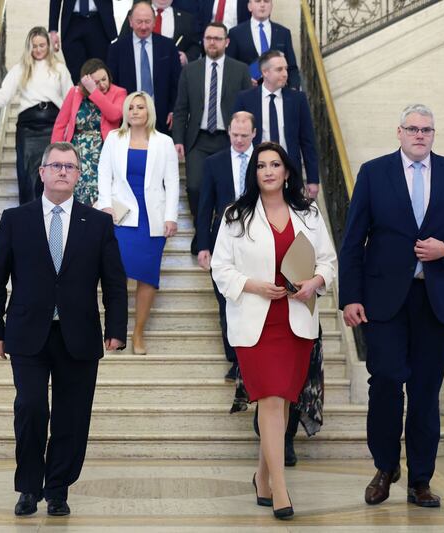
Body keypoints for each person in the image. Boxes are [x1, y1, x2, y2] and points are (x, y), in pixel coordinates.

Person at [339, 104, 444, 508]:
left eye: (427, 130)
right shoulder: (374, 173)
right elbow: (353, 240)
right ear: (399, 132)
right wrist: (350, 296)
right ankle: (385, 468)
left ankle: (420, 480)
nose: (420, 135)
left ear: (433, 135)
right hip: (383, 301)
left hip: (435, 301)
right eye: (412, 129)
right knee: (386, 382)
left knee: (425, 392)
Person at [0, 142, 128, 517]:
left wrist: (116, 328)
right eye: (56, 165)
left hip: (78, 334)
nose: (63, 171)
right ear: (42, 172)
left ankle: (58, 488)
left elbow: (113, 281)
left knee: (72, 415)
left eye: (70, 167)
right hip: (28, 332)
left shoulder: (97, 223)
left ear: (79, 177)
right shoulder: (16, 219)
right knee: (31, 408)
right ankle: (29, 487)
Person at [211, 142, 336, 519]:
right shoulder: (237, 215)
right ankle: (280, 489)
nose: (268, 171)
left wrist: (314, 282)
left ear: (286, 172)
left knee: (281, 402)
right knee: (268, 398)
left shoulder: (308, 213)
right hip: (255, 321)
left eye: (275, 164)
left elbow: (329, 261)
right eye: (261, 165)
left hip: (296, 320)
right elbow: (221, 267)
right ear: (254, 173)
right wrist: (254, 285)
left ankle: (263, 475)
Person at [98, 91, 179, 354]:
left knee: (147, 277)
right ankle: (115, 332)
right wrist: (105, 205)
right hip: (121, 216)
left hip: (151, 218)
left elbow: (173, 182)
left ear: (149, 112)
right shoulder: (114, 138)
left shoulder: (164, 142)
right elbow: (104, 174)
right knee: (115, 274)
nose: (134, 111)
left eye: (140, 107)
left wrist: (171, 217)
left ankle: (138, 333)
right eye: (130, 107)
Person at [0, 27, 72, 205]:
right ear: (28, 47)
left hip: (53, 128)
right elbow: (3, 95)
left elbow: (70, 99)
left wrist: (71, 127)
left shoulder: (60, 69)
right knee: (28, 179)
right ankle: (29, 225)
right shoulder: (20, 69)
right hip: (28, 129)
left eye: (42, 45)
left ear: (49, 46)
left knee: (53, 178)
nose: (38, 49)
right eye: (34, 46)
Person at [172, 21, 252, 254]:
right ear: (203, 41)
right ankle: (202, 232)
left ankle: (225, 238)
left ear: (226, 42)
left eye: (217, 38)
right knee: (196, 187)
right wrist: (178, 139)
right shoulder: (190, 70)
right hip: (198, 140)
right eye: (208, 38)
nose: (212, 42)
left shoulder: (240, 70)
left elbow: (247, 108)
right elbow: (180, 109)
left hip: (230, 141)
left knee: (227, 191)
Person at [196, 111, 255, 380]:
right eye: (234, 135)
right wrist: (203, 245)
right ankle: (236, 361)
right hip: (223, 243)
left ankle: (254, 356)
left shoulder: (266, 161)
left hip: (258, 241)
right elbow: (205, 205)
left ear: (254, 134)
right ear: (228, 132)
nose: (239, 140)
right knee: (226, 302)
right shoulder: (214, 162)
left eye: (244, 135)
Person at [234, 50, 319, 198]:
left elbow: (307, 141)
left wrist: (313, 179)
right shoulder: (245, 98)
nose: (285, 73)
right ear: (265, 72)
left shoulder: (298, 99)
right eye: (279, 69)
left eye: (286, 68)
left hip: (289, 172)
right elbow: (236, 138)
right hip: (256, 171)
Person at [52, 59, 127, 206]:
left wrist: (94, 91)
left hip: (103, 152)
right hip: (76, 153)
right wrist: (55, 154)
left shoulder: (119, 92)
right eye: (96, 82)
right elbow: (60, 125)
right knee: (75, 197)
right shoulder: (75, 93)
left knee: (101, 199)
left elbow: (114, 115)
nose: (102, 85)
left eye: (104, 79)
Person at [107, 1, 182, 135]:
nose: (143, 27)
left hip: (162, 117)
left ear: (154, 21)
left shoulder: (168, 46)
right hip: (129, 117)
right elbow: (113, 85)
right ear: (130, 21)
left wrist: (173, 110)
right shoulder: (117, 49)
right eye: (139, 22)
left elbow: (176, 82)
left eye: (147, 22)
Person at [226, 0, 300, 88]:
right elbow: (229, 67)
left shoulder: (283, 33)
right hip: (247, 93)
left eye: (266, 1)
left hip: (278, 92)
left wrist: (293, 90)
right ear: (249, 6)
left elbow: (292, 67)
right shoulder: (235, 33)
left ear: (271, 5)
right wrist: (243, 80)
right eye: (257, 1)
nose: (262, 5)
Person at [49, 0, 117, 83]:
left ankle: (98, 96)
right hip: (72, 23)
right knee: (77, 75)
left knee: (99, 71)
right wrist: (53, 31)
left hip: (98, 22)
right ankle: (80, 95)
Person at [119, 0, 202, 64]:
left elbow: (195, 45)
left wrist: (187, 57)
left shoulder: (187, 18)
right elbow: (122, 41)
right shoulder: (135, 13)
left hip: (172, 74)